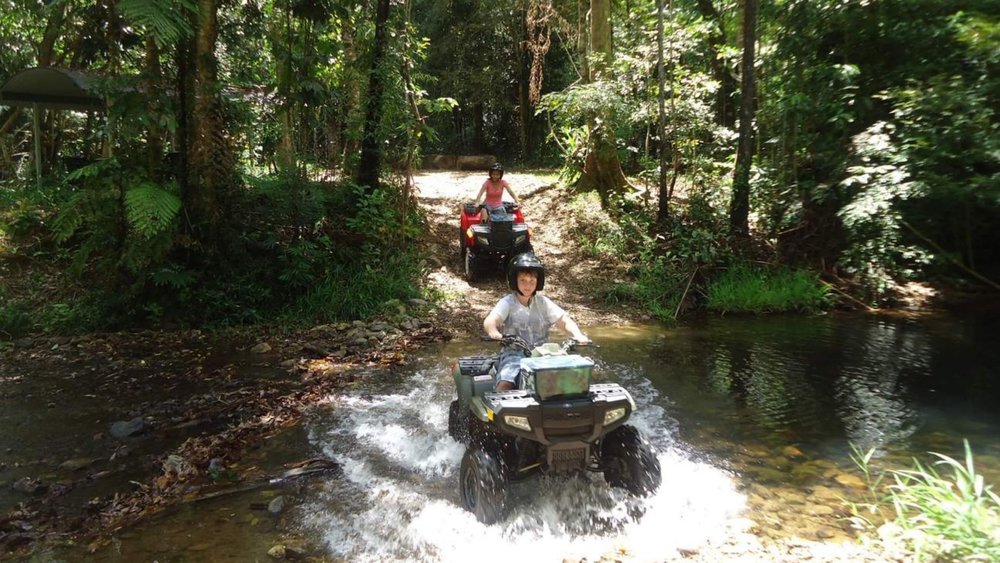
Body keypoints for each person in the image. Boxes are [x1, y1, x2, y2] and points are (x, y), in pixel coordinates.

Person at [483, 252, 589, 391]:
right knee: (506, 381)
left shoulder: (543, 302)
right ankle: (498, 410)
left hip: (543, 354)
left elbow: (563, 320)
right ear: (514, 280)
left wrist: (577, 335)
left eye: (532, 281)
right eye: (523, 280)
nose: (528, 285)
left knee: (572, 375)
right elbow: (491, 320)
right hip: (515, 354)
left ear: (538, 282)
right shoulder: (507, 302)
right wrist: (494, 332)